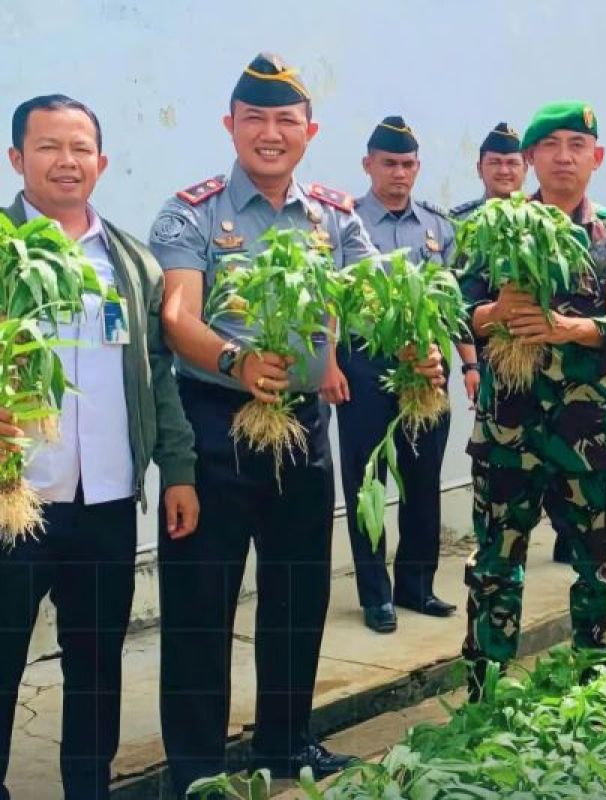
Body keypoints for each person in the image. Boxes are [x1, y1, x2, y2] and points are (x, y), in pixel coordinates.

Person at [148, 53, 409, 791]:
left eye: (285, 122)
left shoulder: (335, 213)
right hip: (216, 429)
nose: (270, 134)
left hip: (300, 429)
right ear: (230, 126)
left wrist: (413, 343)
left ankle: (285, 744)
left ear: (309, 131)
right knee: (201, 605)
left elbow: (369, 301)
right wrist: (236, 362)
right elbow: (177, 317)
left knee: (299, 595)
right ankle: (195, 769)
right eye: (254, 120)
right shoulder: (190, 210)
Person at [0, 94, 198, 800]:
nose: (67, 161)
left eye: (81, 148)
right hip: (14, 504)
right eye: (49, 147)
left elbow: (159, 374)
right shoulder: (2, 249)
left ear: (103, 162)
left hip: (107, 502)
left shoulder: (132, 262)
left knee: (95, 669)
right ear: (17, 159)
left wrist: (177, 468)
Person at [459, 101, 606, 698]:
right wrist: (496, 314)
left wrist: (574, 329)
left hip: (587, 431)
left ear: (596, 158)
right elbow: (458, 308)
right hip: (507, 432)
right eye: (552, 146)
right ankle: (483, 693)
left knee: (600, 566)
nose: (564, 157)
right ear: (530, 159)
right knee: (494, 568)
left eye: (577, 145)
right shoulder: (493, 228)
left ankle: (597, 693)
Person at [333, 116, 473, 632]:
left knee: (423, 480)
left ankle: (417, 586)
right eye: (388, 163)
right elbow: (334, 303)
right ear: (368, 164)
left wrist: (467, 364)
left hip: (426, 369)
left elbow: (456, 305)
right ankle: (376, 596)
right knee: (367, 480)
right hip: (366, 367)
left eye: (408, 164)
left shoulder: (439, 227)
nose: (398, 173)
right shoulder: (345, 221)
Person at [449, 122, 526, 220]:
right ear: (479, 169)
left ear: (525, 169)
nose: (504, 171)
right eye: (495, 162)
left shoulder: (539, 221)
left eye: (512, 163)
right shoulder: (458, 221)